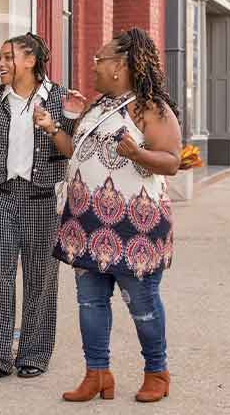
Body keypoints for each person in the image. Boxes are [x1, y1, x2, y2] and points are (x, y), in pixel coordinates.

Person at [40, 28, 182, 404]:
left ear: (120, 66)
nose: (95, 66)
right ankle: (97, 373)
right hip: (86, 225)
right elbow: (75, 151)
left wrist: (139, 155)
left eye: (99, 60)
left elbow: (171, 161)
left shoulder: (153, 109)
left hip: (136, 226)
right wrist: (53, 128)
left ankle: (157, 371)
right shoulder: (97, 107)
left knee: (142, 303)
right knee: (90, 302)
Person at [0, 33, 85, 382]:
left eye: (8, 57)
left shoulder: (61, 98)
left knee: (40, 279)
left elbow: (73, 149)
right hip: (0, 197)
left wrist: (68, 120)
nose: (1, 64)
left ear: (30, 60)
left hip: (42, 199)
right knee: (0, 275)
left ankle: (33, 353)